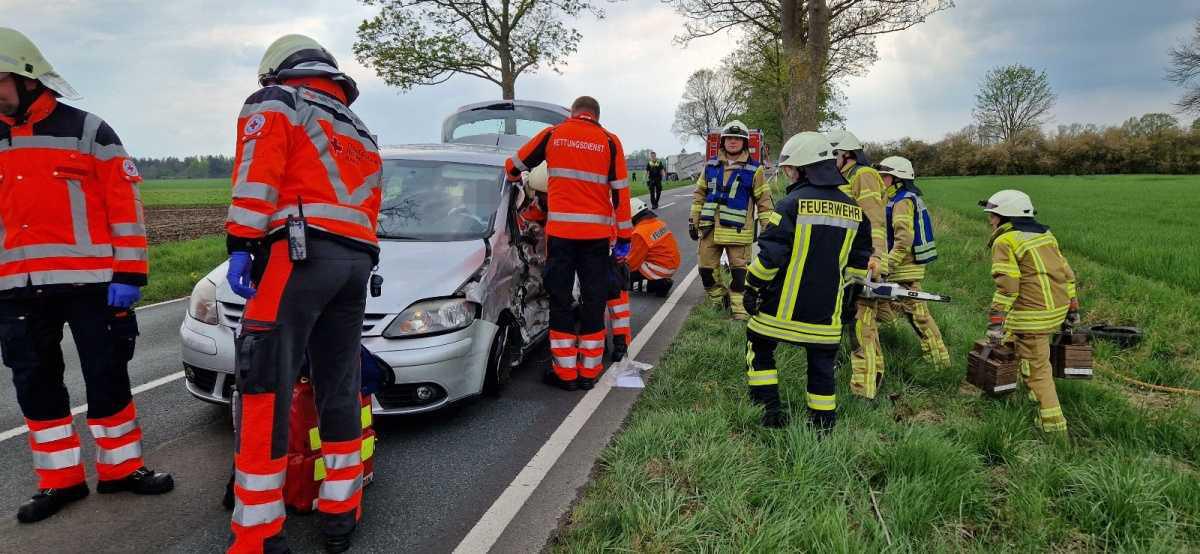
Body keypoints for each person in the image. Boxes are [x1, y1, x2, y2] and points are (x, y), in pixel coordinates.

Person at [0, 27, 174, 524]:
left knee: (107, 375)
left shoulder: (89, 130)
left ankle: (123, 469)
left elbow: (126, 207)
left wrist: (130, 274)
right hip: (15, 289)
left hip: (93, 284)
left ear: (28, 78)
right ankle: (60, 481)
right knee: (35, 384)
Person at [224, 34, 382, 553]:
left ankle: (259, 532)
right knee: (339, 384)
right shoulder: (359, 128)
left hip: (297, 256)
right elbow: (370, 204)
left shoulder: (278, 102)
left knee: (265, 384)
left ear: (275, 72)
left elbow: (257, 175)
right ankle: (341, 510)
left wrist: (242, 243)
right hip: (354, 262)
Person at [742, 132, 872, 430]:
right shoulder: (855, 211)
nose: (788, 174)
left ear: (804, 168)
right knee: (822, 366)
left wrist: (751, 287)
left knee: (758, 346)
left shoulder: (790, 204)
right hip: (826, 314)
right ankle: (823, 423)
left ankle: (769, 411)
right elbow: (858, 263)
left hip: (779, 312)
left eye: (790, 169)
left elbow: (769, 258)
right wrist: (850, 299)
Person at [505, 96, 631, 391]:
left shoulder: (553, 134)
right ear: (596, 116)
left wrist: (516, 176)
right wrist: (623, 238)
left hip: (561, 237)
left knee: (561, 300)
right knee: (593, 300)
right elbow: (621, 195)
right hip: (596, 239)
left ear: (574, 114)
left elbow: (513, 166)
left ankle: (566, 375)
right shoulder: (610, 142)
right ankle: (589, 372)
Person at [981, 190, 1078, 434]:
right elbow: (1067, 274)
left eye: (993, 215)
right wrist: (1073, 309)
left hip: (1031, 317)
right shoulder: (1045, 235)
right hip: (1055, 310)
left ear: (1006, 216)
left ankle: (1053, 430)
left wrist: (995, 322)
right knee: (1010, 345)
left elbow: (1008, 287)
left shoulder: (1006, 241)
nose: (990, 220)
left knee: (1038, 371)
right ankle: (999, 394)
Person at [826, 129, 888, 399]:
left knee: (860, 325)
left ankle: (864, 392)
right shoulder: (846, 176)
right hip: (851, 260)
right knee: (863, 325)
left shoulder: (863, 176)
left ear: (846, 153)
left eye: (833, 154)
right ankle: (876, 375)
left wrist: (874, 260)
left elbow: (873, 222)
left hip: (866, 262)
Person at [690, 120, 773, 320]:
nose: (733, 142)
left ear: (744, 143)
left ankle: (740, 314)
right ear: (723, 142)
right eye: (729, 138)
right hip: (709, 230)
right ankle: (720, 302)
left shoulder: (755, 170)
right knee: (706, 271)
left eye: (738, 139)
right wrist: (693, 220)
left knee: (739, 276)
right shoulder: (710, 166)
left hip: (738, 232)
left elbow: (764, 201)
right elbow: (699, 194)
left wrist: (769, 231)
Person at [874, 156, 950, 367]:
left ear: (897, 179)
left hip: (903, 268)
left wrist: (886, 265)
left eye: (885, 176)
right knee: (885, 306)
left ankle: (939, 362)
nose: (881, 180)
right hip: (900, 265)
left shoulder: (902, 201)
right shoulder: (894, 198)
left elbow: (904, 239)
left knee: (919, 315)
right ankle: (895, 340)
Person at [626, 197, 680, 297]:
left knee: (625, 281)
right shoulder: (657, 223)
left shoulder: (640, 232)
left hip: (662, 268)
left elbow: (632, 263)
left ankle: (659, 285)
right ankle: (659, 281)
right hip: (672, 264)